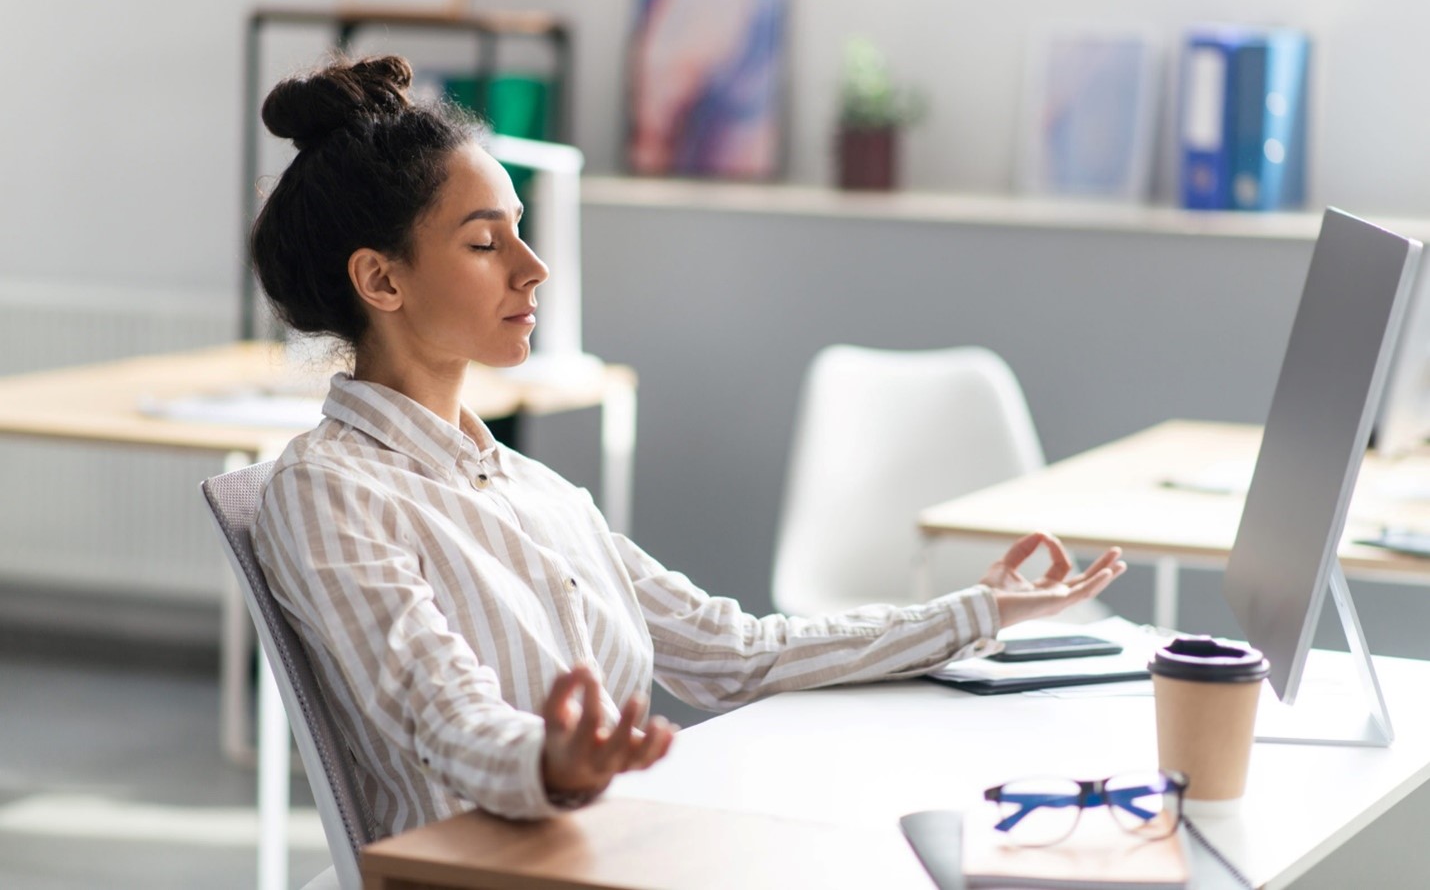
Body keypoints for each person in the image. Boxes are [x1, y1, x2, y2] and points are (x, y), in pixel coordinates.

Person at [249, 54, 1127, 838]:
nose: (533, 265)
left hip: (607, 843)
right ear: (381, 278)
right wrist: (552, 761)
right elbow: (437, 719)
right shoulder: (330, 489)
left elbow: (735, 652)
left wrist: (979, 609)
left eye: (521, 227)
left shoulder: (532, 489)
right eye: (485, 241)